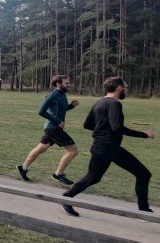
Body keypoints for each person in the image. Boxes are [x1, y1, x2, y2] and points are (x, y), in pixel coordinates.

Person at [62, 76, 155, 217]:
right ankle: (66, 198)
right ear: (119, 88)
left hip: (110, 148)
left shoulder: (99, 102)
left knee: (143, 174)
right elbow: (117, 127)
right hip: (105, 149)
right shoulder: (114, 104)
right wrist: (144, 134)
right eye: (125, 87)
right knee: (93, 177)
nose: (126, 90)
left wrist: (102, 131)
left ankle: (144, 210)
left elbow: (87, 125)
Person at [17, 75, 80, 184]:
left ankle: (23, 167)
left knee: (42, 148)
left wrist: (71, 106)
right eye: (66, 83)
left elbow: (61, 109)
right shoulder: (52, 95)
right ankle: (57, 174)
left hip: (52, 128)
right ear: (58, 84)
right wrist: (58, 121)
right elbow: (41, 111)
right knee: (73, 151)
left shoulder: (63, 94)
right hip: (53, 128)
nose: (69, 85)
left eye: (69, 82)